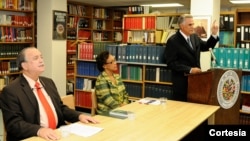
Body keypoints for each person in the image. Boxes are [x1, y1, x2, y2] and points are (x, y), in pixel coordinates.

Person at [0, 47, 98, 141]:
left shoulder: (48, 82)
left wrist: (79, 116)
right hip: (33, 137)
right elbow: (14, 124)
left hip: (57, 133)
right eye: (36, 58)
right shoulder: (11, 91)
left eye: (41, 57)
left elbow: (60, 108)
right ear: (24, 66)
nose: (41, 60)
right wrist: (39, 130)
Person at [164, 14, 219, 102]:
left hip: (196, 81)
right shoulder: (173, 41)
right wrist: (190, 69)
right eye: (190, 25)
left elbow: (206, 46)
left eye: (193, 24)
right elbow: (171, 63)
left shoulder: (194, 37)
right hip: (182, 84)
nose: (193, 27)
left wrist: (214, 34)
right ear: (181, 26)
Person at [95, 51, 130, 115]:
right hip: (107, 112)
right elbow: (107, 100)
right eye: (112, 62)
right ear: (104, 66)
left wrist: (125, 104)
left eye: (115, 60)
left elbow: (125, 94)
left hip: (121, 110)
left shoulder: (117, 77)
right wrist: (121, 107)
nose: (115, 63)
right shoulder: (101, 79)